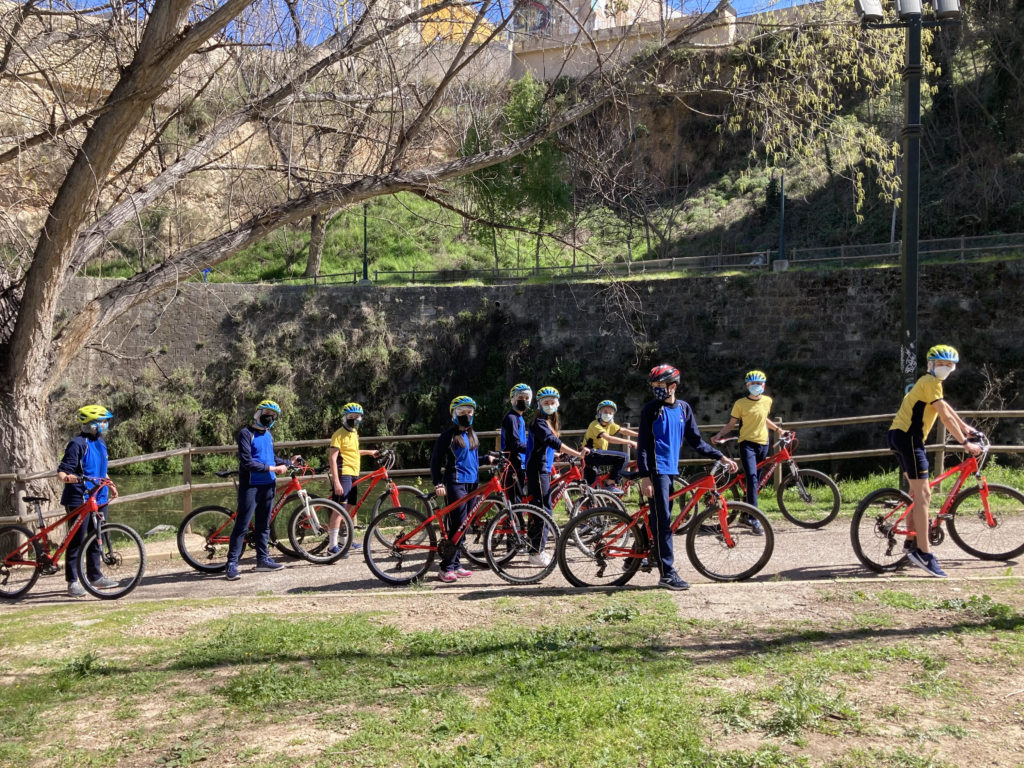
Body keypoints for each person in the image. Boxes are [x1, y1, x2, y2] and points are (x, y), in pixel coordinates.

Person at [637, 364, 738, 591]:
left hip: (671, 469)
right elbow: (642, 445)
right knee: (663, 522)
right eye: (654, 386)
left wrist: (720, 455)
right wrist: (645, 477)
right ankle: (667, 574)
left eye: (660, 385)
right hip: (656, 471)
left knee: (661, 518)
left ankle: (638, 556)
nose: (656, 389)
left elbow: (696, 441)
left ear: (673, 386)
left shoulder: (683, 409)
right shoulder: (650, 409)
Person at [888, 345, 981, 578]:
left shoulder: (931, 384)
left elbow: (946, 408)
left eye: (949, 366)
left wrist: (965, 427)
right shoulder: (930, 382)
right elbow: (944, 415)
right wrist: (965, 443)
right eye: (941, 364)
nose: (945, 368)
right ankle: (924, 552)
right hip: (909, 438)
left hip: (900, 435)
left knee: (915, 492)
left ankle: (911, 541)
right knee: (924, 496)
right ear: (930, 365)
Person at [224, 400, 300, 581]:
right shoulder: (245, 433)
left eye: (273, 415)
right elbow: (247, 462)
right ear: (258, 413)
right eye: (267, 413)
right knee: (242, 525)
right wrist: (273, 469)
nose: (269, 417)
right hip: (251, 485)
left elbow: (271, 457)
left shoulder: (268, 435)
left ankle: (262, 560)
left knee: (264, 525)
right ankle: (232, 564)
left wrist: (289, 462)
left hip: (268, 485)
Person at [710, 370, 787, 535]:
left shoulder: (767, 401)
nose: (756, 386)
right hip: (747, 444)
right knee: (752, 478)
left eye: (759, 384)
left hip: (763, 443)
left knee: (755, 483)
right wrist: (719, 435)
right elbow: (731, 424)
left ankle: (745, 514)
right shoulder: (740, 403)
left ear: (764, 385)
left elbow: (763, 418)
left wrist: (779, 430)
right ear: (747, 386)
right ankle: (754, 519)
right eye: (753, 384)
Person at [56, 405, 120, 597]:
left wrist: (109, 483)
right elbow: (62, 471)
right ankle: (73, 581)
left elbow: (101, 468)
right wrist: (69, 478)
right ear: (92, 424)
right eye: (102, 421)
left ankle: (95, 576)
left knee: (97, 537)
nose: (105, 424)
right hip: (79, 498)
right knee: (76, 541)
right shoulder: (77, 444)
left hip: (99, 497)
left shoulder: (101, 443)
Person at [525, 386, 588, 567]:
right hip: (537, 469)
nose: (550, 405)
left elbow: (544, 447)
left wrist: (559, 456)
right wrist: (576, 454)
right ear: (539, 404)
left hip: (542, 467)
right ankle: (537, 552)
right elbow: (553, 442)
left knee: (542, 507)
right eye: (546, 402)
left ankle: (534, 547)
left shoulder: (547, 422)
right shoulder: (539, 422)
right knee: (545, 510)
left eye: (552, 402)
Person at [430, 396, 490, 583]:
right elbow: (435, 462)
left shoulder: (473, 434)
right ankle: (445, 567)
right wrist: (438, 483)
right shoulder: (447, 436)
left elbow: (472, 460)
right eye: (462, 412)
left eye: (469, 412)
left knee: (465, 526)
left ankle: (456, 564)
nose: (466, 415)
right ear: (454, 414)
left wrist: (487, 459)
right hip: (456, 482)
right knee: (457, 525)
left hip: (472, 483)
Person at [326, 403, 379, 556]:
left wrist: (370, 452)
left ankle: (344, 541)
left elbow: (354, 452)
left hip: (355, 473)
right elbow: (332, 458)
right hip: (344, 473)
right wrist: (336, 481)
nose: (354, 419)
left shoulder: (355, 434)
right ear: (345, 417)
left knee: (348, 510)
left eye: (357, 417)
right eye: (351, 417)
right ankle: (332, 547)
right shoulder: (338, 434)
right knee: (339, 509)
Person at [582, 399, 638, 494]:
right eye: (605, 412)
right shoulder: (595, 424)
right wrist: (630, 441)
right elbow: (608, 438)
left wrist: (640, 435)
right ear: (599, 413)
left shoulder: (609, 425)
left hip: (594, 457)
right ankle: (610, 483)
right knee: (623, 457)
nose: (608, 414)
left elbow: (624, 431)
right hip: (591, 454)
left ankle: (586, 507)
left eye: (610, 412)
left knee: (593, 492)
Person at [500, 384, 532, 504]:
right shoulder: (511, 418)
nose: (523, 400)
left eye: (526, 398)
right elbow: (515, 444)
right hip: (513, 464)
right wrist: (532, 449)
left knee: (520, 499)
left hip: (520, 463)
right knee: (516, 502)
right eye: (520, 398)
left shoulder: (519, 418)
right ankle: (516, 523)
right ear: (513, 399)